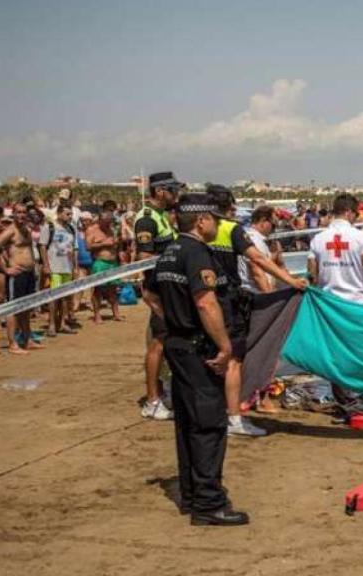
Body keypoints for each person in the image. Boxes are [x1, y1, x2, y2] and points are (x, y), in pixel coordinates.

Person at [146, 194, 249, 526]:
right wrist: (223, 346)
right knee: (207, 424)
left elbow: (149, 292)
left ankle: (192, 494)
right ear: (201, 220)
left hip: (177, 343)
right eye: (215, 220)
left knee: (188, 423)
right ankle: (208, 503)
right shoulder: (195, 253)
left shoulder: (168, 254)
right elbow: (206, 303)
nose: (218, 225)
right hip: (197, 348)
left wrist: (172, 320)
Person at [206, 185, 307, 437]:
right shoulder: (232, 230)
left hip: (206, 299)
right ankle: (234, 417)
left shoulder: (196, 231)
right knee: (234, 359)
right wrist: (291, 281)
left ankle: (214, 409)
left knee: (213, 355)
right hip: (232, 300)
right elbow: (257, 262)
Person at [136, 171, 183, 421]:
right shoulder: (146, 220)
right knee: (157, 343)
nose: (176, 194)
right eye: (172, 189)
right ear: (160, 191)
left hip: (169, 289)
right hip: (157, 291)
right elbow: (144, 260)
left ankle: (162, 392)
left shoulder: (162, 216)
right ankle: (152, 400)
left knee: (166, 341)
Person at [309, 193, 363, 304]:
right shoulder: (361, 237)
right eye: (356, 213)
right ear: (349, 212)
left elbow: (312, 275)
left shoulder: (317, 239)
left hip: (328, 305)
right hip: (356, 305)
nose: (357, 217)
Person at [0, 202, 43, 355]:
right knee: (14, 308)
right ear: (13, 214)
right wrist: (5, 269)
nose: (21, 215)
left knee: (26, 307)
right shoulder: (10, 231)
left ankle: (27, 339)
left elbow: (28, 249)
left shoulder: (26, 229)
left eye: (24, 212)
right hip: (16, 275)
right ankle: (12, 344)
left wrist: (34, 268)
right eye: (18, 212)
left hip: (29, 273)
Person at [38, 203, 78, 337]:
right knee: (53, 298)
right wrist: (46, 265)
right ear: (59, 213)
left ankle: (62, 323)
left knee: (66, 298)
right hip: (54, 268)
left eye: (71, 214)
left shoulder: (71, 229)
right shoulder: (49, 227)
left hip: (67, 268)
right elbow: (43, 247)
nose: (70, 216)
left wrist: (75, 267)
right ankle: (52, 325)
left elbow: (72, 249)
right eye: (67, 214)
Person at [86, 200, 124, 324]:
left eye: (110, 222)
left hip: (113, 262)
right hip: (100, 262)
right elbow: (88, 246)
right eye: (106, 223)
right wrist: (103, 244)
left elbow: (117, 244)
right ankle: (97, 315)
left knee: (113, 289)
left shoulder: (112, 229)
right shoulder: (92, 229)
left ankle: (116, 313)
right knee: (98, 289)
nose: (108, 225)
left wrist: (119, 251)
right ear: (100, 220)